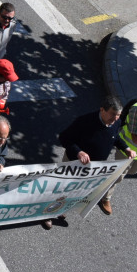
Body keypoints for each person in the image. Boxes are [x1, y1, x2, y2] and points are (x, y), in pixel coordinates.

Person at [44, 96, 126, 229]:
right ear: (102, 110)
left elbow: (115, 137)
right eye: (113, 114)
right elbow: (64, 138)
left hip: (92, 169)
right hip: (74, 163)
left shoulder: (116, 122)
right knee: (62, 189)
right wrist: (79, 152)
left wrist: (126, 148)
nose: (116, 119)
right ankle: (47, 215)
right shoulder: (85, 121)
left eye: (118, 115)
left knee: (76, 191)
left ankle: (61, 210)